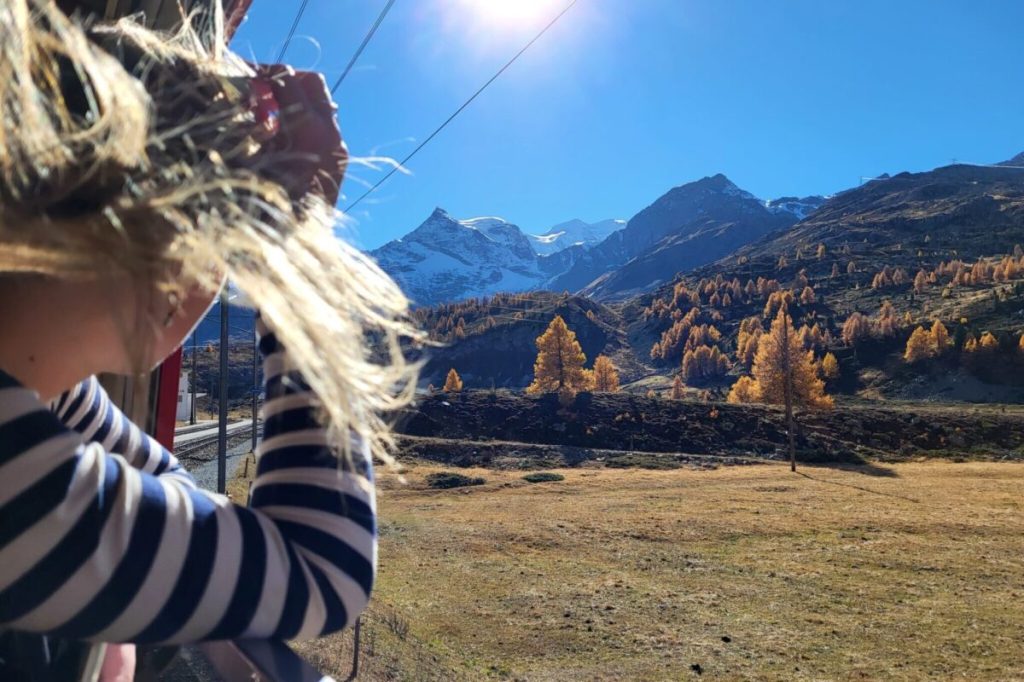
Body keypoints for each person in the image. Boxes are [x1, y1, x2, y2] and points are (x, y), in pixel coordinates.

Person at [0, 0, 419, 679]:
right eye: (224, 246)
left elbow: (160, 483)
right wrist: (297, 258)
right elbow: (323, 568)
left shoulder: (46, 390)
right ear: (171, 266)